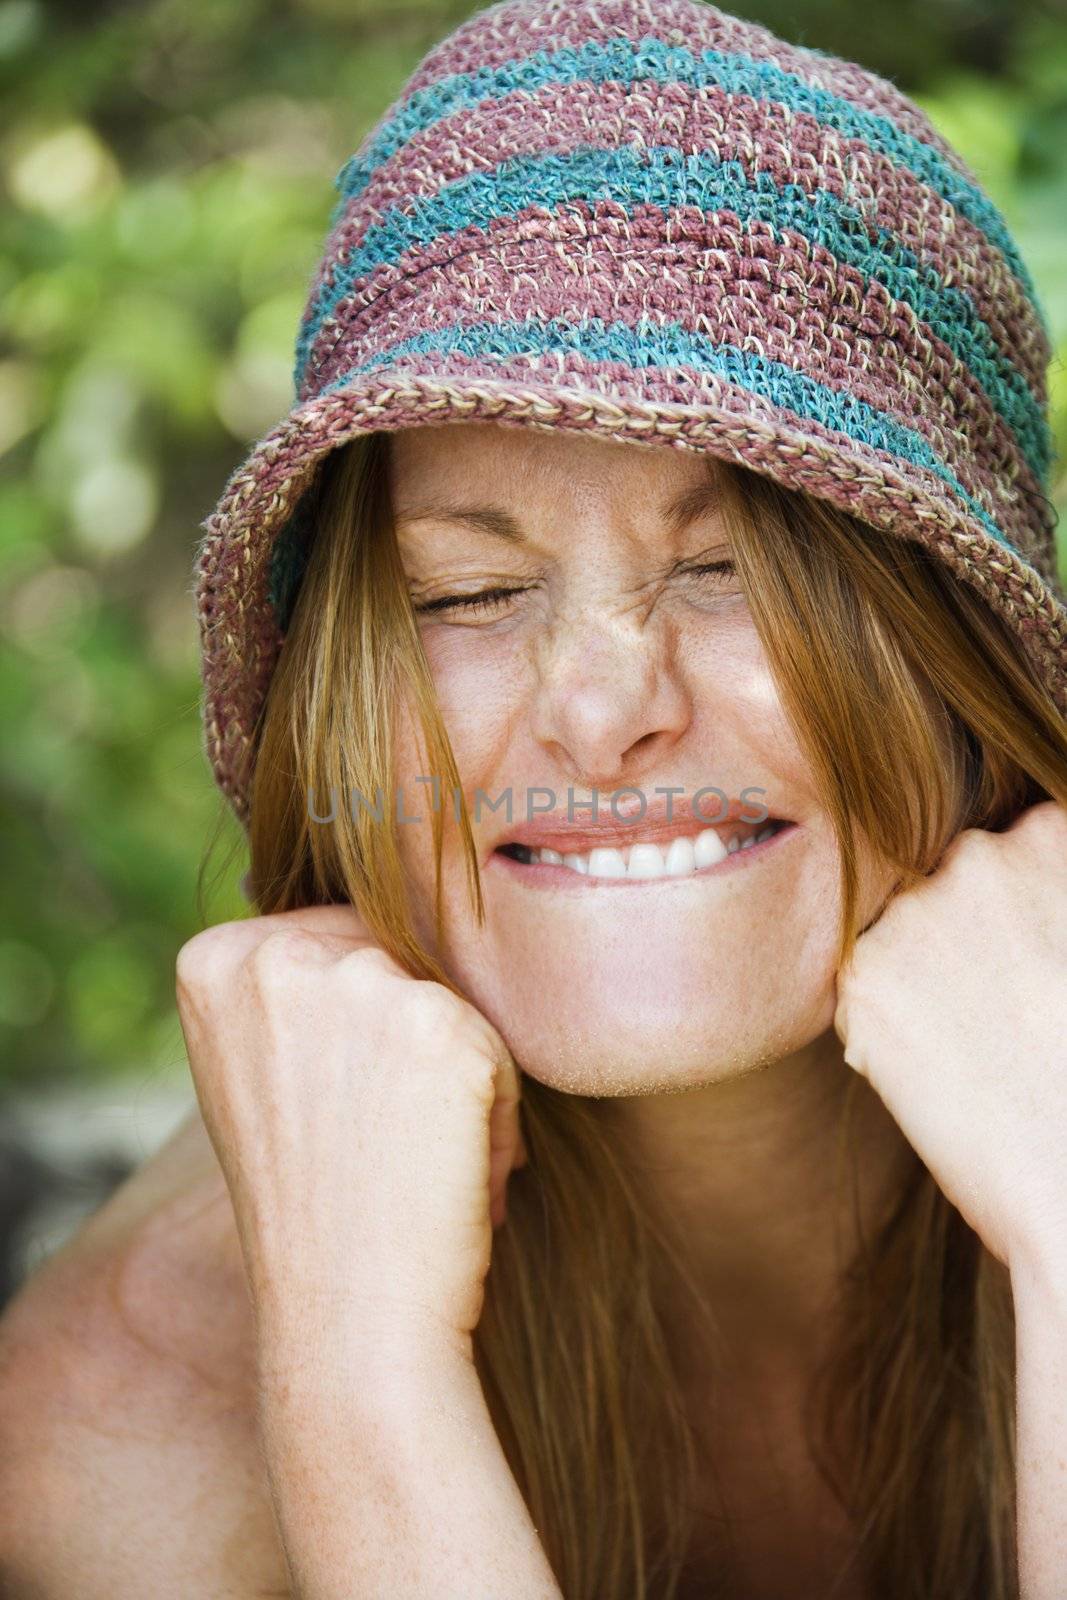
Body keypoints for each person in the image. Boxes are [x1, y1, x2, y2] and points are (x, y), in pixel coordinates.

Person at [2, 1, 1066, 1596]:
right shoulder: (121, 1418)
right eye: (466, 596)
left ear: (960, 663)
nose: (599, 709)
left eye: (730, 574)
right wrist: (360, 1383)